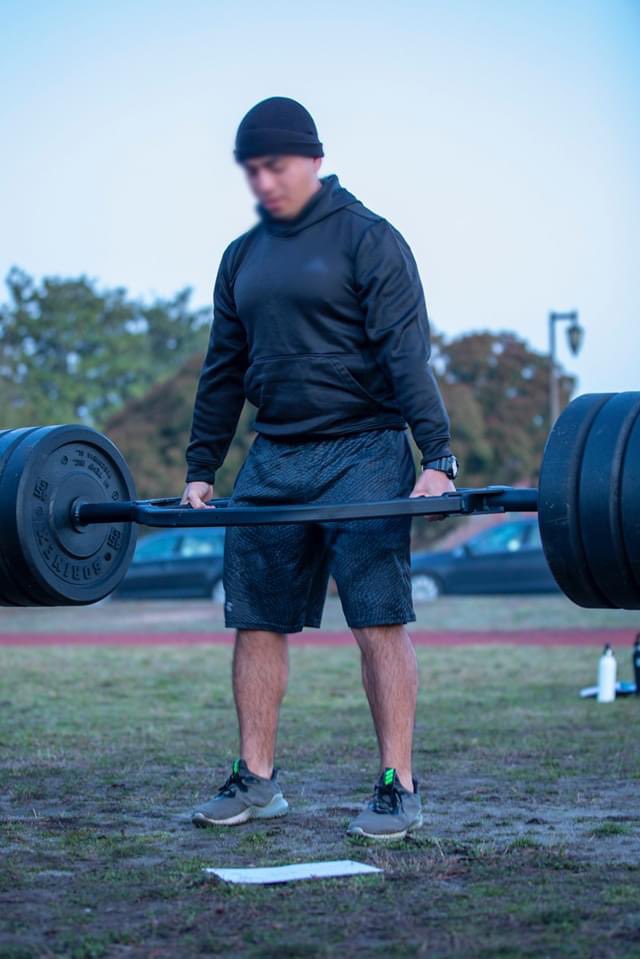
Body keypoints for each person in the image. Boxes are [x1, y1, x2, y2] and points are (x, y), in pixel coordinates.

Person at [180, 96, 459, 839]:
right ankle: (257, 779)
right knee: (257, 620)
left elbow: (407, 353)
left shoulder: (369, 239)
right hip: (274, 456)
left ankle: (397, 783)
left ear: (314, 158)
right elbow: (224, 368)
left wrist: (438, 458)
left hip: (364, 449)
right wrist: (202, 467)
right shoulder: (243, 256)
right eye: (252, 169)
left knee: (378, 619)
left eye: (275, 165)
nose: (263, 181)